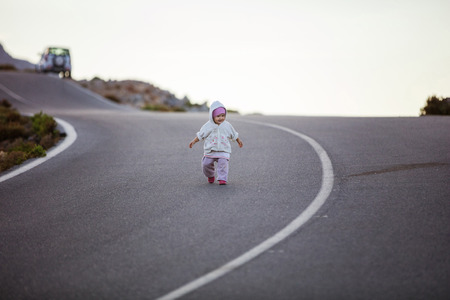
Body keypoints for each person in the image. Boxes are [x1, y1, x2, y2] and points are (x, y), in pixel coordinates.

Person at [189, 101, 243, 185]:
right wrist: (194, 141)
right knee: (206, 164)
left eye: (223, 116)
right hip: (210, 150)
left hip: (223, 150)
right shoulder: (208, 126)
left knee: (223, 164)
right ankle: (210, 175)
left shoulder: (227, 125)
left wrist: (238, 140)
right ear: (212, 116)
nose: (221, 118)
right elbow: (201, 135)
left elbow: (233, 133)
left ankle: (222, 178)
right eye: (218, 116)